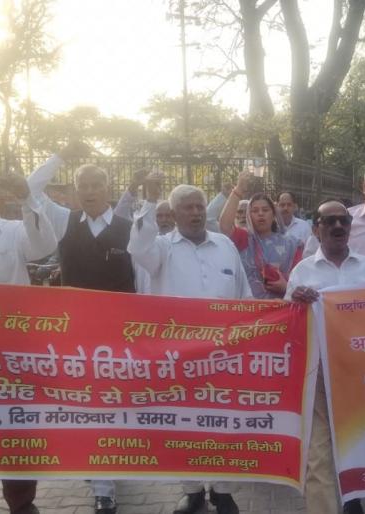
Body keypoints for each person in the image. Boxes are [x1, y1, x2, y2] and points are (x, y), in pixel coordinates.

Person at [128, 180, 250, 514]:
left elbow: (244, 294)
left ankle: (223, 491)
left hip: (223, 356)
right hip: (177, 358)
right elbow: (137, 247)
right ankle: (192, 489)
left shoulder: (225, 244)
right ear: (173, 213)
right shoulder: (159, 248)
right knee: (183, 424)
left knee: (225, 424)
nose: (196, 213)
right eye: (187, 207)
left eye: (200, 206)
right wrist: (148, 201)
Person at [28, 158, 134, 514]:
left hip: (117, 334)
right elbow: (31, 189)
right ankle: (103, 481)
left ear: (107, 188)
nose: (89, 192)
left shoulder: (128, 227)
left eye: (96, 185)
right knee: (86, 404)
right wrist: (60, 157)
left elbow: (142, 280)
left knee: (111, 402)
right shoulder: (64, 221)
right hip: (76, 332)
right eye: (83, 186)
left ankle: (107, 469)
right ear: (75, 190)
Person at [0, 169, 57, 514]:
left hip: (8, 354)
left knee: (14, 428)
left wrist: (27, 198)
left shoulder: (16, 231)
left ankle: (21, 503)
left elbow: (45, 245)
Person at [285, 200, 365, 514]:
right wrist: (295, 303)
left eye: (344, 220)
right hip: (318, 374)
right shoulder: (302, 271)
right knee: (318, 454)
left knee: (357, 443)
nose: (338, 226)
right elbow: (286, 324)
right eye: (329, 221)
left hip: (360, 375)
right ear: (317, 229)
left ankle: (352, 495)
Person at [219, 172, 303, 299]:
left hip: (282, 306)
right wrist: (239, 190)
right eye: (255, 210)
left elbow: (301, 281)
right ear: (249, 216)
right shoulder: (244, 239)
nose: (260, 214)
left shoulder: (291, 244)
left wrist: (286, 287)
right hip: (249, 307)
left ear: (273, 214)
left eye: (265, 210)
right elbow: (224, 226)